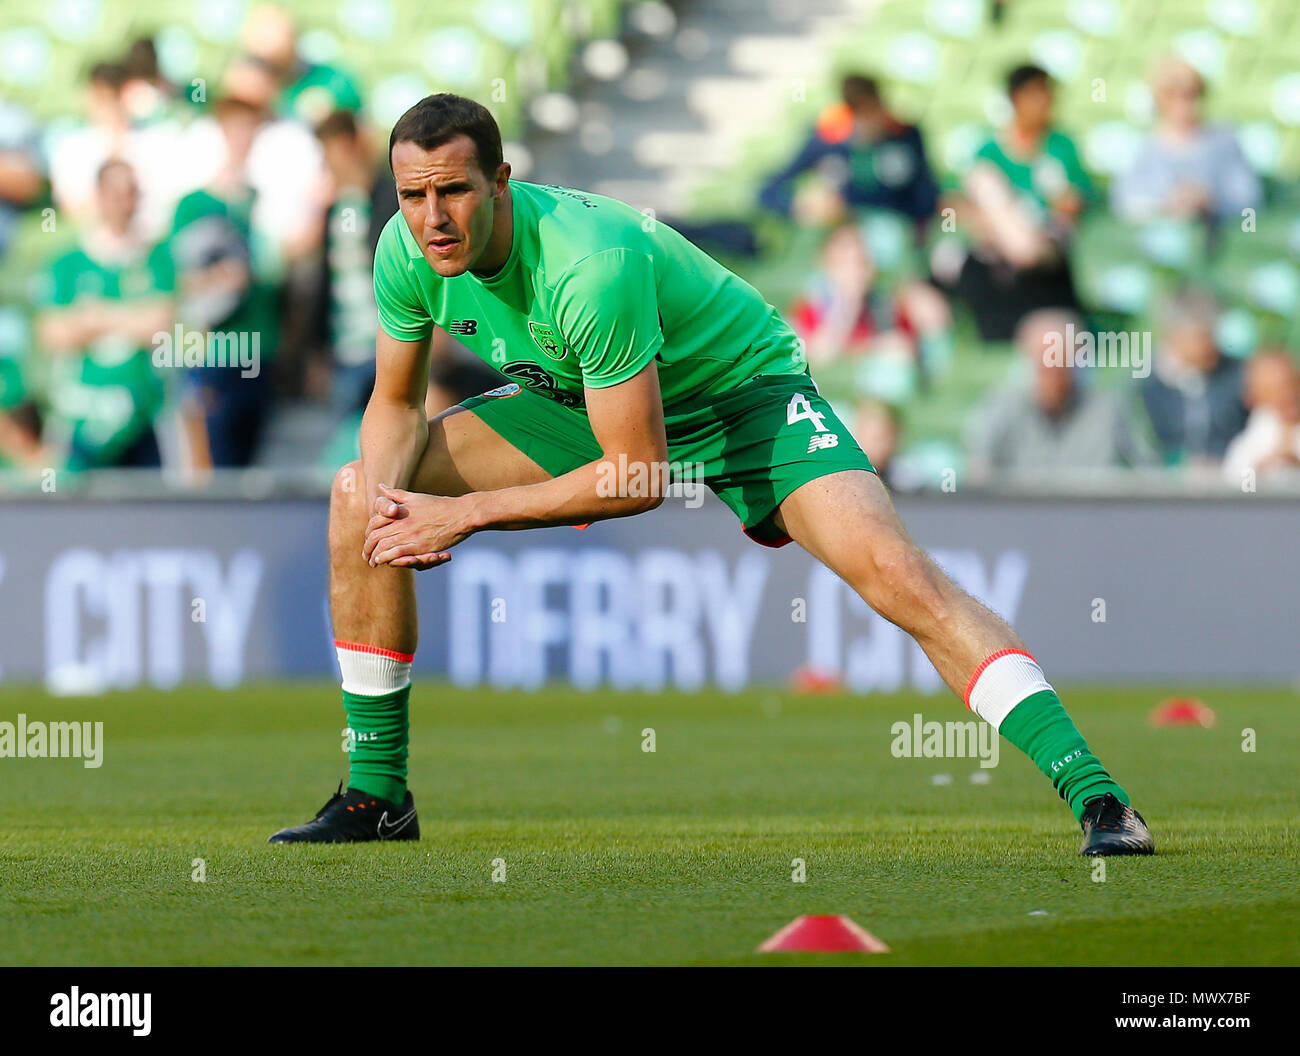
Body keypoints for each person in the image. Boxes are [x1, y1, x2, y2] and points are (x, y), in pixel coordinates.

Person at [269, 94, 1153, 857]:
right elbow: (393, 402)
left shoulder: (589, 263)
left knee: (897, 577)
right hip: (587, 402)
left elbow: (636, 477)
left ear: (501, 183)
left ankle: (1099, 796)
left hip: (742, 400)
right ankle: (377, 799)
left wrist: (459, 515)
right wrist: (392, 511)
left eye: (455, 190)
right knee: (356, 494)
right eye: (415, 196)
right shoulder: (403, 251)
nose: (434, 218)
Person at [36, 159, 173, 470]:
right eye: (116, 193)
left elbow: (159, 328)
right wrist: (131, 318)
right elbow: (54, 334)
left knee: (149, 508)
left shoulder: (157, 258)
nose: (125, 203)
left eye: (132, 193)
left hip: (143, 414)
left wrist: (94, 316)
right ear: (99, 196)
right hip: (80, 414)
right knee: (74, 509)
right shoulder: (67, 263)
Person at [943, 64, 1089, 341]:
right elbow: (951, 204)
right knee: (985, 184)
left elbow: (1074, 203)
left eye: (1048, 93)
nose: (1045, 102)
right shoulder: (988, 150)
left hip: (1046, 241)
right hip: (997, 241)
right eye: (1035, 94)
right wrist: (982, 221)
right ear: (1016, 99)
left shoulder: (1061, 146)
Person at [966, 310, 1155, 478]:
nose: (1053, 379)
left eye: (1062, 368)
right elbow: (979, 472)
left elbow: (1147, 473)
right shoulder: (1002, 407)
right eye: (1045, 367)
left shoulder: (1109, 410)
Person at [759, 73, 937, 226]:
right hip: (841, 236)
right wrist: (802, 207)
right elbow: (768, 191)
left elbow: (927, 197)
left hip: (896, 227)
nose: (869, 121)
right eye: (860, 113)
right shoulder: (825, 141)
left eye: (872, 110)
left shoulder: (906, 136)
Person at [1111, 57, 1261, 225]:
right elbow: (1126, 201)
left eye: (1191, 95)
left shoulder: (1224, 142)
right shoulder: (1145, 148)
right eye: (1173, 96)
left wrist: (1208, 199)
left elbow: (1247, 197)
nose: (1184, 105)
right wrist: (1167, 202)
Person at [1141, 289, 1247, 467]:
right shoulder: (1143, 386)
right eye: (1203, 336)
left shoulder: (1239, 375)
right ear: (1175, 335)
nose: (1211, 344)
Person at [1222, 350, 1300, 483]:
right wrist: (1259, 469)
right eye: (1272, 391)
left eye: (1289, 386)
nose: (1286, 396)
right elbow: (1240, 487)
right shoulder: (1253, 438)